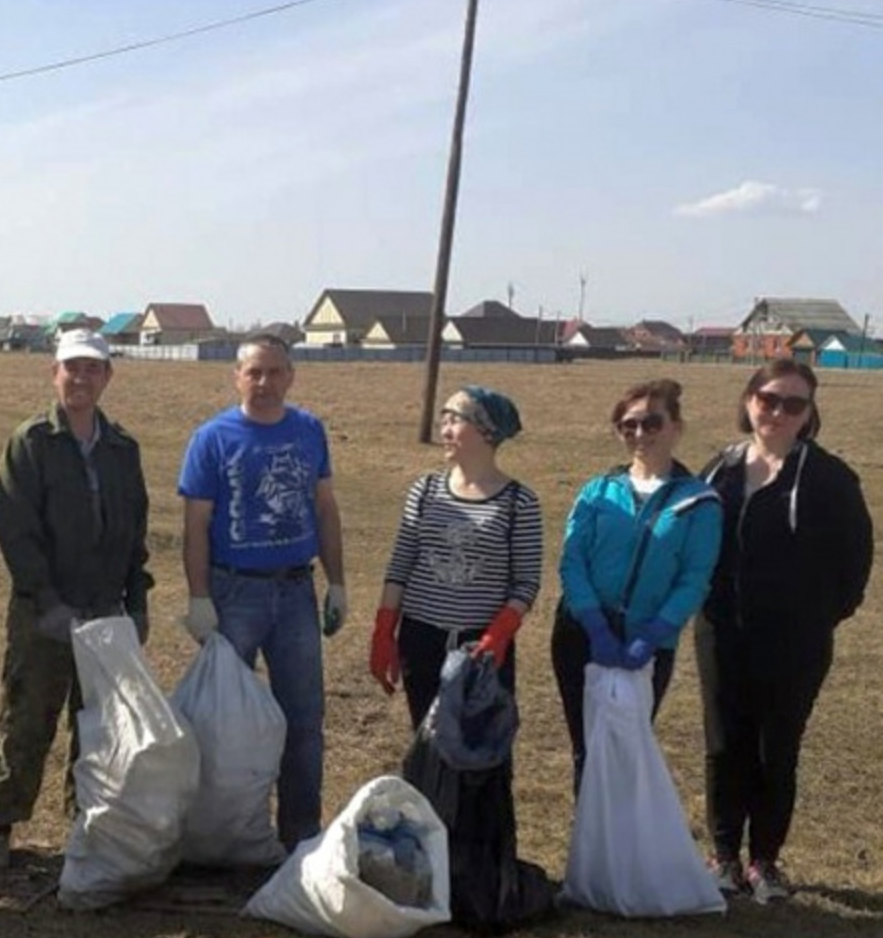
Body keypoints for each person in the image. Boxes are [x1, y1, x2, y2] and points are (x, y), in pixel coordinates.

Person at [695, 359, 871, 904]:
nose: (777, 412)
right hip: (721, 632)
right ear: (749, 400)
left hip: (795, 640)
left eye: (793, 404)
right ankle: (723, 855)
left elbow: (854, 563)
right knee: (724, 742)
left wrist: (814, 617)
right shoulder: (719, 470)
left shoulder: (829, 478)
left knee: (778, 745)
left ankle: (764, 860)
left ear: (809, 415)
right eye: (768, 399)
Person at [0, 330, 152, 869]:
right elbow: (17, 529)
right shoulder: (32, 442)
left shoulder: (123, 449)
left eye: (92, 369)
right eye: (71, 368)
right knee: (27, 717)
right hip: (43, 613)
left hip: (105, 610)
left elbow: (135, 531)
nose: (81, 379)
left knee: (96, 725)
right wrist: (46, 601)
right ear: (54, 373)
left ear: (107, 377)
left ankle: (85, 824)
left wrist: (135, 600)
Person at [178, 333, 345, 851]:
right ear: (237, 377)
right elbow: (195, 526)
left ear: (291, 375)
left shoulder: (309, 431)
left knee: (303, 721)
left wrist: (337, 581)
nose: (265, 383)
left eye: (275, 372)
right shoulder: (213, 438)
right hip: (234, 594)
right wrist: (199, 596)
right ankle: (224, 833)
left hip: (296, 592)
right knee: (223, 718)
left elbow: (325, 509)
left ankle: (300, 837)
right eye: (255, 373)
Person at [550, 379, 721, 792]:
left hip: (646, 647)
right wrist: (594, 625)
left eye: (652, 423)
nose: (640, 434)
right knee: (586, 749)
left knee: (626, 750)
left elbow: (695, 579)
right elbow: (572, 562)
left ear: (676, 427)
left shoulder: (699, 502)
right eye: (629, 426)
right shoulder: (598, 491)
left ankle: (621, 847)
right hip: (581, 637)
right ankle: (588, 848)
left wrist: (653, 636)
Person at [369, 387, 543, 729]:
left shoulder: (518, 502)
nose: (444, 430)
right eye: (442, 420)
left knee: (480, 749)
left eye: (455, 420)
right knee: (428, 737)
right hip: (420, 640)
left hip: (481, 647)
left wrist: (499, 634)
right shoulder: (424, 491)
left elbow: (526, 581)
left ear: (487, 431)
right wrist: (384, 631)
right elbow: (401, 565)